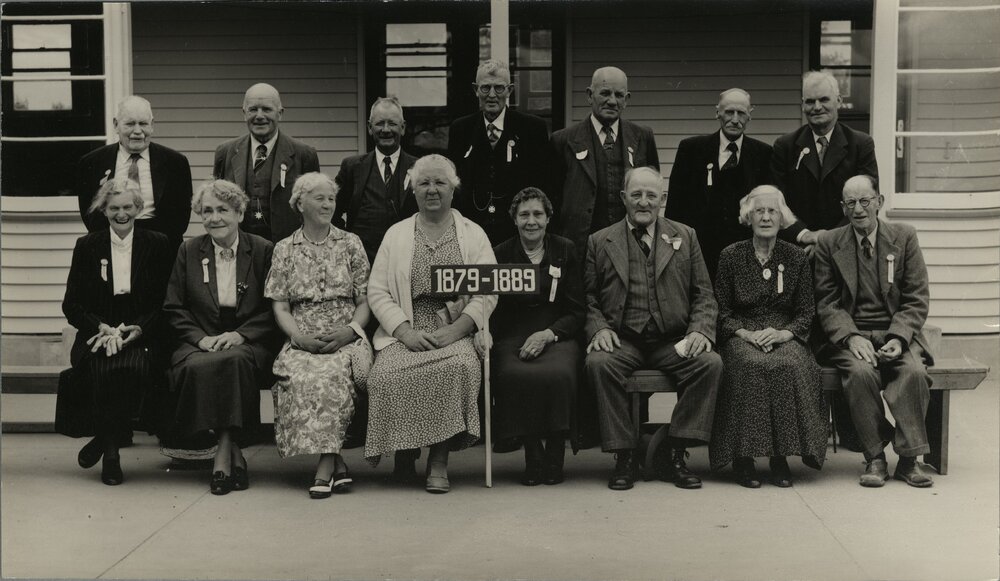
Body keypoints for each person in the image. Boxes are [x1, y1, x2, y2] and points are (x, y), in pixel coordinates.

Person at [365, 154, 497, 494]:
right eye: (424, 183)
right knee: (385, 374)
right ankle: (405, 456)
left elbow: (488, 290)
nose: (432, 190)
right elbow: (377, 291)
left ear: (453, 190)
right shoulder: (396, 234)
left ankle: (438, 461)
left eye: (440, 183)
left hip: (456, 330)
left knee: (459, 368)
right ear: (413, 190)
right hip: (406, 330)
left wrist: (459, 329)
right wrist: (405, 331)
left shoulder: (473, 233)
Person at [584, 167, 722, 491]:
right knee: (598, 364)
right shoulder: (600, 241)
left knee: (710, 364)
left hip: (672, 339)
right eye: (636, 195)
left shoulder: (685, 235)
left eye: (651, 195)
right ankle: (625, 455)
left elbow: (704, 293)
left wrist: (700, 330)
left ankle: (675, 451)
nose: (643, 202)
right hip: (623, 339)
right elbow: (589, 298)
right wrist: (598, 329)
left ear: (663, 199)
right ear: (623, 198)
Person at [814, 175, 935, 488]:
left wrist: (898, 337)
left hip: (896, 333)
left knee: (913, 372)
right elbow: (827, 303)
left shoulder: (904, 236)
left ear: (879, 202)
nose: (858, 209)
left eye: (865, 201)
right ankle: (875, 457)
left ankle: (909, 460)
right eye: (851, 203)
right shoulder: (830, 242)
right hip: (851, 336)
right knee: (860, 373)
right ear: (843, 207)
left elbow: (916, 297)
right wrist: (851, 337)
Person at [163, 179, 280, 496]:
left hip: (247, 339)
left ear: (240, 213)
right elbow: (173, 306)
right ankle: (235, 455)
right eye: (207, 211)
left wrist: (241, 335)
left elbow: (275, 307)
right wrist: (200, 339)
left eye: (223, 210)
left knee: (234, 361)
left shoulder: (262, 250)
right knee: (202, 365)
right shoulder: (188, 250)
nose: (214, 218)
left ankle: (222, 455)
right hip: (199, 339)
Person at [264, 173, 374, 499]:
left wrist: (350, 331)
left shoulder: (350, 243)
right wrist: (299, 338)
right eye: (319, 198)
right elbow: (281, 306)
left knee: (334, 373)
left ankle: (325, 467)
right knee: (295, 372)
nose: (328, 204)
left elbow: (365, 301)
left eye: (331, 198)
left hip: (346, 335)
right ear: (300, 203)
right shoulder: (285, 249)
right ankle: (338, 463)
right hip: (302, 337)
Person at [710, 186, 828, 488]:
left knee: (787, 365)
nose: (765, 217)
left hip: (783, 333)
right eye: (759, 211)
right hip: (741, 332)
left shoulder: (796, 258)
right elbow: (721, 312)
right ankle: (744, 458)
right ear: (748, 217)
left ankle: (780, 457)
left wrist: (782, 333)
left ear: (782, 218)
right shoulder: (730, 256)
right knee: (749, 365)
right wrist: (746, 334)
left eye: (771, 211)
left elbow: (805, 312)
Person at [59, 180, 173, 486]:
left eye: (127, 207)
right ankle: (111, 454)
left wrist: (139, 329)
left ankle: (103, 440)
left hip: (141, 329)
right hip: (99, 329)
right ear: (103, 210)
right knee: (101, 367)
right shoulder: (88, 245)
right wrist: (99, 327)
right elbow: (71, 304)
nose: (121, 214)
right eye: (114, 208)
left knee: (134, 366)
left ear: (138, 208)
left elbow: (167, 301)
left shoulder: (158, 242)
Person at [490, 187, 585, 486]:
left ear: (548, 218)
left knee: (560, 373)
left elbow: (578, 309)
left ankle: (556, 452)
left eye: (537, 214)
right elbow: (492, 306)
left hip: (557, 332)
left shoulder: (565, 249)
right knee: (513, 373)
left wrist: (549, 334)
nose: (531, 221)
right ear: (514, 219)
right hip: (513, 334)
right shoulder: (500, 253)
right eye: (524, 215)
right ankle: (533, 453)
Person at [551, 66, 660, 255]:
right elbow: (553, 199)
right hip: (579, 247)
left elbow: (653, 191)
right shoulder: (563, 140)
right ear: (589, 95)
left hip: (630, 244)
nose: (612, 101)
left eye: (619, 95)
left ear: (626, 100)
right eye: (605, 93)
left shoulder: (643, 137)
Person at [666, 88, 772, 280]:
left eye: (741, 113)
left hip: (746, 254)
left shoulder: (764, 154)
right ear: (717, 112)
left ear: (750, 116)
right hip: (700, 253)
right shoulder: (691, 150)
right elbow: (675, 207)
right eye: (729, 112)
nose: (734, 119)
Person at [771, 70, 878, 255]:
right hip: (798, 250)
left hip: (847, 248)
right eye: (810, 101)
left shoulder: (861, 145)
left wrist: (827, 240)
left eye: (824, 99)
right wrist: (805, 235)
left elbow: (867, 200)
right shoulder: (785, 146)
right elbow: (777, 202)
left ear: (839, 101)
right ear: (802, 105)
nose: (817, 107)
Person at [447, 60, 549, 246]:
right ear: (475, 90)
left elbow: (543, 184)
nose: (492, 95)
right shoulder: (461, 130)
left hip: (518, 235)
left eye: (499, 88)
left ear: (509, 90)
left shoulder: (532, 129)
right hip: (472, 234)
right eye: (485, 88)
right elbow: (455, 185)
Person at [76, 95, 193, 253]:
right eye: (130, 124)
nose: (137, 131)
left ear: (152, 125)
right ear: (116, 125)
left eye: (143, 124)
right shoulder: (92, 162)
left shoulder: (175, 163)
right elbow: (90, 215)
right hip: (111, 247)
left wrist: (149, 240)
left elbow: (180, 219)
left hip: (162, 249)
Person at [213, 83, 320, 243]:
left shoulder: (304, 155)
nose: (259, 116)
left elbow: (313, 210)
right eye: (253, 109)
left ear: (280, 113)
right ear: (244, 113)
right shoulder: (225, 152)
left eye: (267, 109)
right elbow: (217, 204)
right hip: (239, 251)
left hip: (287, 251)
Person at [334, 97, 418, 264]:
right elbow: (332, 211)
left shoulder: (419, 167)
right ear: (369, 128)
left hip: (406, 260)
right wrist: (346, 242)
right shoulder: (352, 167)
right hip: (362, 262)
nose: (385, 130)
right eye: (379, 123)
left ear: (403, 128)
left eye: (392, 124)